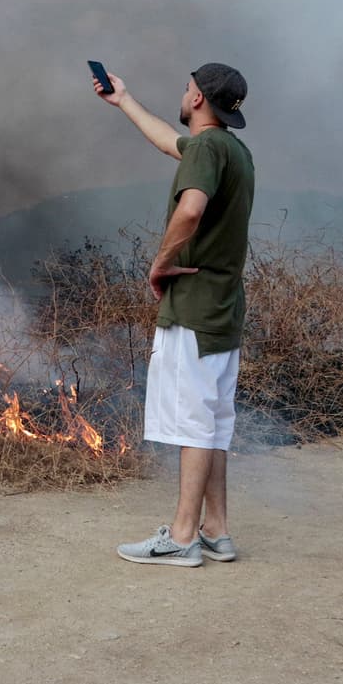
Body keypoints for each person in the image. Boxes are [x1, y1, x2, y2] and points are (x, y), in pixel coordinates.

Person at [93, 63, 255, 567]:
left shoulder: (207, 150)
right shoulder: (231, 150)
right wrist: (124, 100)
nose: (182, 98)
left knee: (191, 424)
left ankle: (182, 537)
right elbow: (168, 140)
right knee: (211, 423)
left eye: (187, 91)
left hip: (195, 307)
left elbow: (191, 208)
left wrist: (160, 264)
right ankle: (216, 530)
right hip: (223, 310)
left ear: (201, 99)